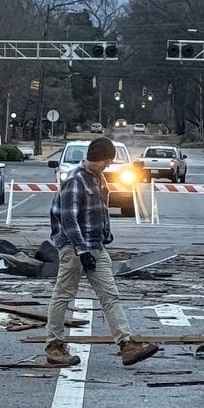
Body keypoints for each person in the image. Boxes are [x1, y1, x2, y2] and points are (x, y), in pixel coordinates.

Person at [43, 138, 161, 368]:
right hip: (73, 248)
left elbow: (100, 211)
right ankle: (54, 346)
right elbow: (68, 219)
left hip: (95, 246)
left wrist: (104, 235)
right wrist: (80, 249)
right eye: (105, 161)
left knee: (110, 295)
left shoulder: (98, 178)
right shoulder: (76, 180)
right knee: (63, 295)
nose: (107, 166)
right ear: (96, 158)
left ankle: (127, 344)